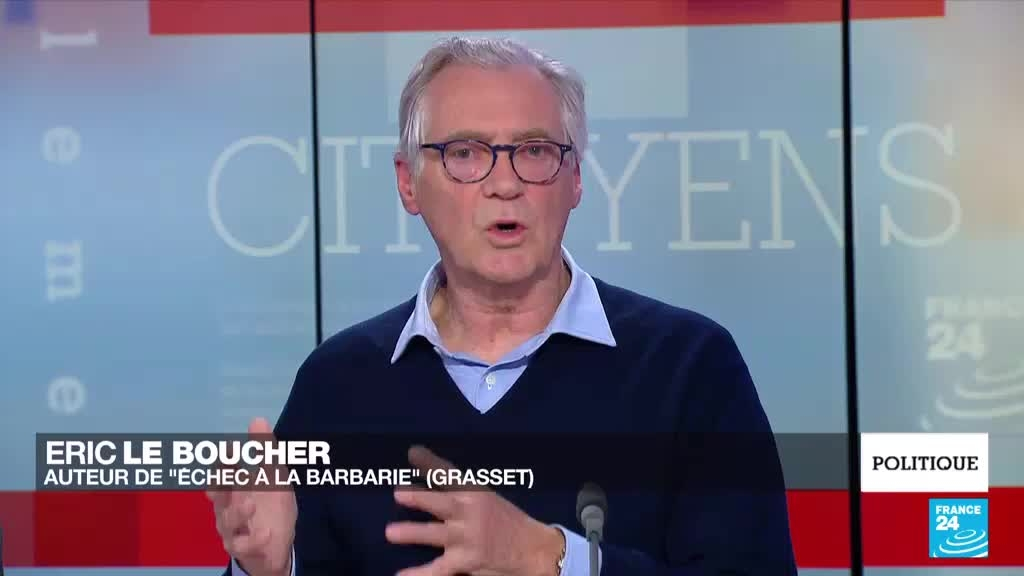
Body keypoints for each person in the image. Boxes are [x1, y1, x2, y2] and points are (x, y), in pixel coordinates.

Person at [210, 36, 797, 576]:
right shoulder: (337, 384)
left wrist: (551, 558)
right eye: (465, 153)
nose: (504, 183)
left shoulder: (690, 368)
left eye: (534, 151)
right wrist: (268, 569)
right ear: (408, 182)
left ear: (574, 178)